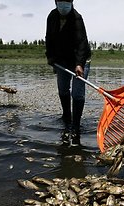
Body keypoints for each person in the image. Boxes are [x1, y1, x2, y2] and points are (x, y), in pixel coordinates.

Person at [45, 0, 91, 145]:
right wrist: (51, 58)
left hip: (81, 59)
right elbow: (49, 39)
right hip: (62, 60)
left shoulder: (77, 18)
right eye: (61, 2)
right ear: (56, 2)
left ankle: (76, 126)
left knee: (77, 93)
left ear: (71, 2)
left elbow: (82, 42)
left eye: (67, 2)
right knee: (63, 90)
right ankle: (66, 119)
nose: (63, 5)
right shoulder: (52, 16)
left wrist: (79, 64)